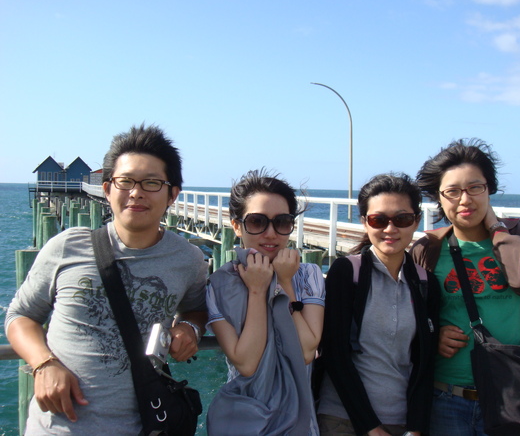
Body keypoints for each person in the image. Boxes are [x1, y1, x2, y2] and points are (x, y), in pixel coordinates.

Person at [5, 124, 208, 435]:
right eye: (125, 181)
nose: (136, 192)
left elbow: (196, 309)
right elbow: (20, 316)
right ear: (107, 189)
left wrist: (190, 327)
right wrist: (43, 363)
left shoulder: (189, 260)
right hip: (56, 428)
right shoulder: (66, 246)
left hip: (145, 425)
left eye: (152, 182)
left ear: (172, 195)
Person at [410, 139, 520, 436]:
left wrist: (497, 228)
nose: (465, 200)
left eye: (475, 188)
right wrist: (433, 333)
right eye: (452, 192)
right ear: (439, 198)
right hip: (447, 395)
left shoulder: (519, 234)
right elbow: (410, 313)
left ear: (490, 189)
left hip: (513, 394)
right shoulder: (428, 248)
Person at [316, 173, 440, 436]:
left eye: (402, 219)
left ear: (416, 221)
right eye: (378, 220)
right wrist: (371, 428)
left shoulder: (424, 282)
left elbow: (424, 363)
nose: (390, 229)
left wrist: (416, 428)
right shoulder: (346, 272)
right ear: (365, 222)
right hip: (343, 419)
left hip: (402, 421)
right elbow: (335, 355)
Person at [205, 169, 325, 436]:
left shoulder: (308, 276)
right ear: (236, 226)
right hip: (246, 421)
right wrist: (258, 292)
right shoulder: (220, 285)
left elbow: (305, 351)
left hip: (299, 424)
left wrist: (285, 284)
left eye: (282, 222)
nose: (271, 233)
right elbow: (246, 364)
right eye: (257, 222)